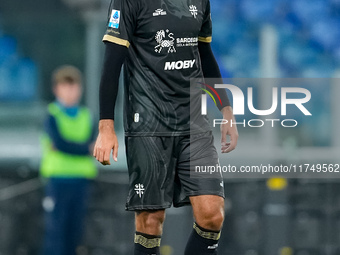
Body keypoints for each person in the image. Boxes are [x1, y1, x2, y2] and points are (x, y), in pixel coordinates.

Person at [93, 0, 239, 254]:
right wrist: (106, 126)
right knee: (150, 221)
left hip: (194, 122)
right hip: (149, 124)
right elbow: (112, 63)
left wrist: (226, 108)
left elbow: (204, 54)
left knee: (212, 214)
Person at [40, 65, 97, 255]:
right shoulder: (51, 115)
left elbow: (85, 145)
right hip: (58, 180)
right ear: (56, 89)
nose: (71, 91)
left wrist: (71, 148)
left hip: (81, 180)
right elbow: (61, 143)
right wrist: (83, 149)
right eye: (66, 87)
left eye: (73, 87)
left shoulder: (86, 116)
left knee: (76, 232)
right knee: (56, 232)